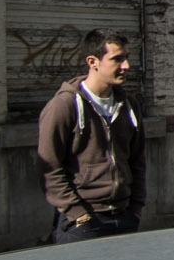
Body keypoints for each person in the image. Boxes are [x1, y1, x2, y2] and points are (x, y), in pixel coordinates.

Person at [37, 28, 146, 243]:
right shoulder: (64, 105)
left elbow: (137, 160)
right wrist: (77, 213)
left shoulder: (128, 105)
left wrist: (135, 207)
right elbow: (48, 167)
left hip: (124, 217)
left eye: (126, 58)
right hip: (84, 222)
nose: (126, 66)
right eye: (117, 59)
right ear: (92, 61)